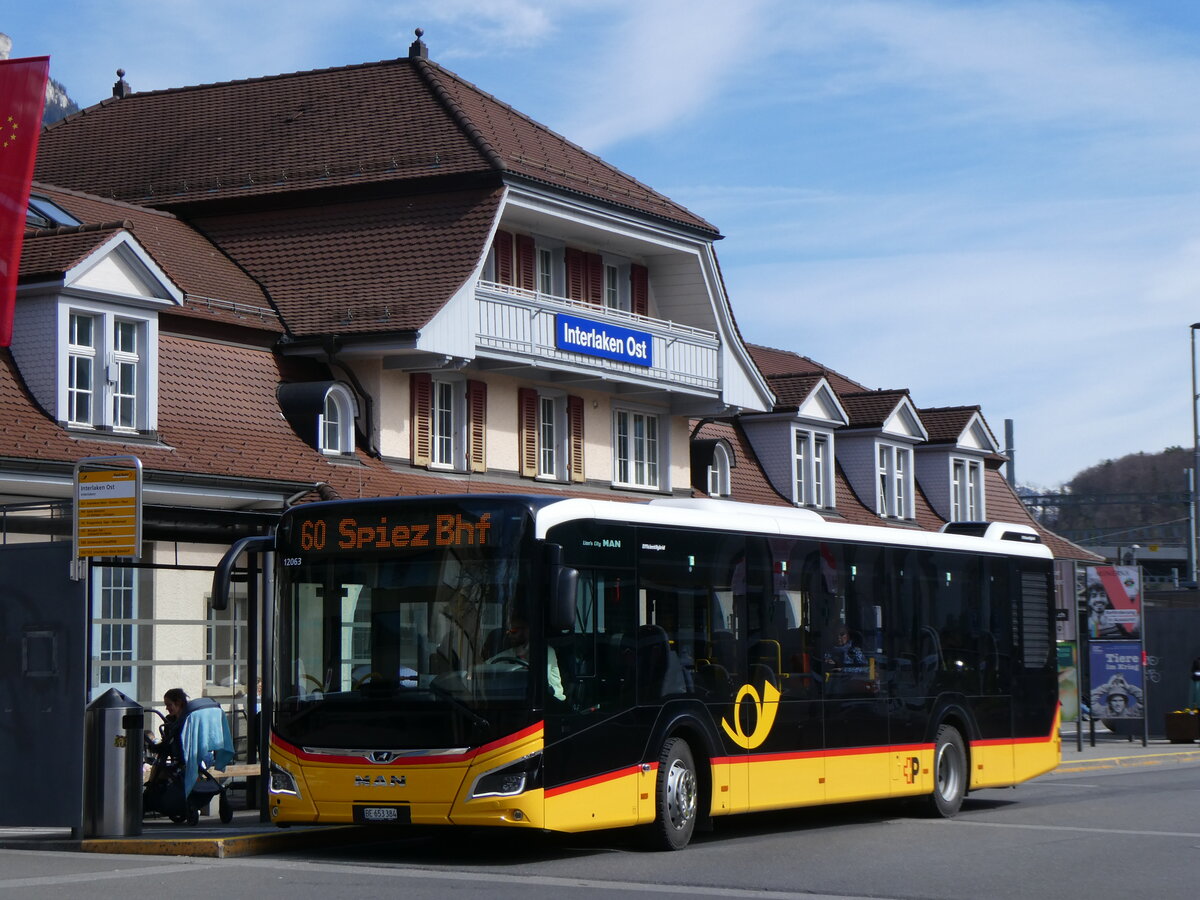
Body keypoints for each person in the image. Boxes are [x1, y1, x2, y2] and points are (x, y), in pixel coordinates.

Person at [490, 613, 565, 702]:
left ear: (526, 631)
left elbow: (538, 681)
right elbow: (488, 665)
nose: (509, 635)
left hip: (552, 702)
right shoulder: (511, 652)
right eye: (508, 632)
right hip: (519, 699)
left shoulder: (545, 651)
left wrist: (520, 656)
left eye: (513, 631)